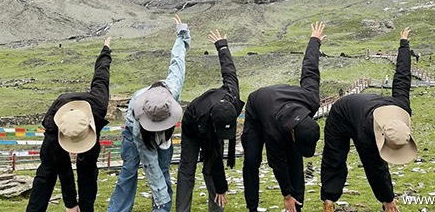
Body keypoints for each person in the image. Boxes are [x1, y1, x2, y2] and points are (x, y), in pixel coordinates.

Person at [321, 28, 418, 212]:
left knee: (368, 163)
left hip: (363, 111)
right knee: (335, 158)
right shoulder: (369, 135)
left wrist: (404, 44)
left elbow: (403, 77)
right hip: (341, 114)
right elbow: (375, 168)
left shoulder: (401, 106)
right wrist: (388, 200)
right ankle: (328, 200)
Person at [107, 15, 190, 212]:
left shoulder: (172, 87)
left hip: (164, 141)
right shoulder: (138, 122)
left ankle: (161, 209)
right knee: (129, 172)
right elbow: (150, 164)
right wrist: (160, 195)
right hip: (134, 136)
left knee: (164, 170)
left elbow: (177, 61)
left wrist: (182, 33)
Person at [242, 21, 325, 212]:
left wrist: (314, 41)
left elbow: (310, 71)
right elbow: (277, 163)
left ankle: (298, 208)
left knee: (295, 159)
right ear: (293, 133)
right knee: (252, 160)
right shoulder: (274, 129)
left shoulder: (311, 101)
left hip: (284, 107)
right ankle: (252, 207)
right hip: (258, 110)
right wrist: (286, 195)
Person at [26, 36, 112, 212]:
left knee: (88, 171)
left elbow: (101, 75)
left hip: (87, 122)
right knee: (47, 171)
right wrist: (70, 204)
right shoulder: (53, 126)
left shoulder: (98, 105)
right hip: (58, 126)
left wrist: (106, 49)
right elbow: (64, 169)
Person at [176, 29, 245, 212]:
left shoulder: (232, 95)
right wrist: (222, 187)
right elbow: (214, 157)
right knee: (187, 169)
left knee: (211, 171)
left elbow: (229, 72)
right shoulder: (202, 122)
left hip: (210, 120)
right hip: (193, 126)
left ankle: (216, 209)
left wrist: (222, 46)